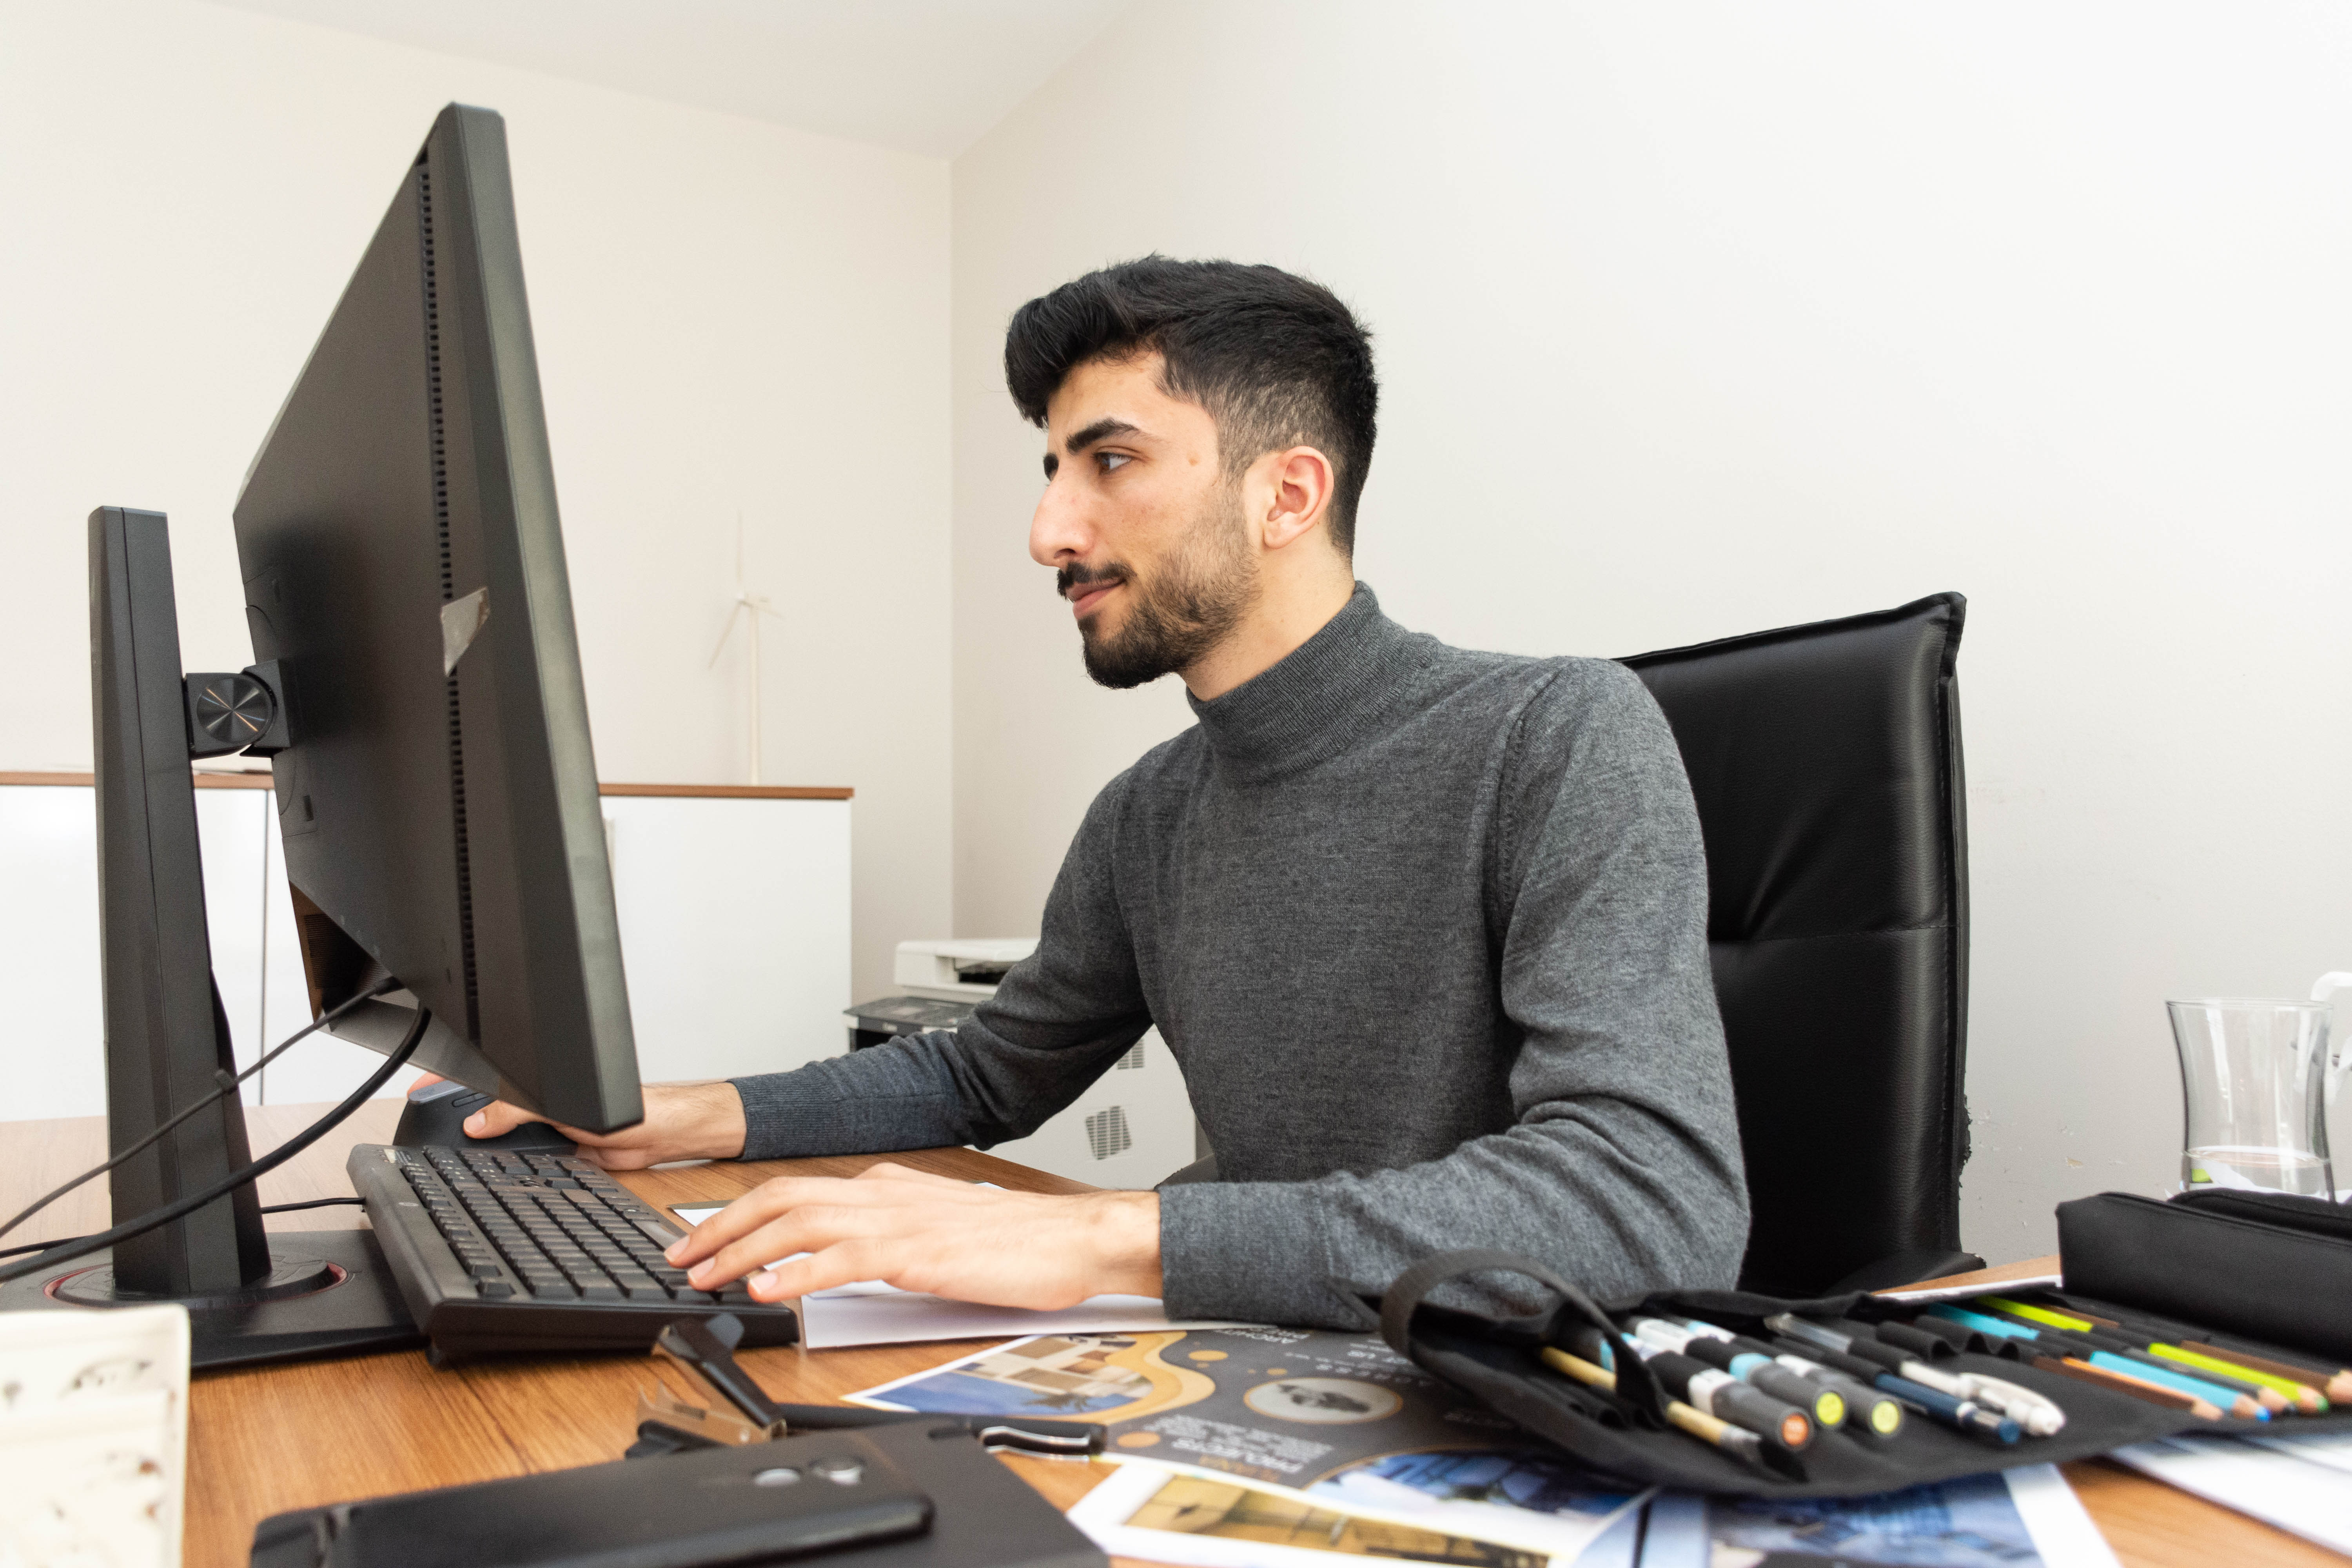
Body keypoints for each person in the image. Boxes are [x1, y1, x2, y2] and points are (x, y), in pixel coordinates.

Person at [451, 257, 1751, 1328]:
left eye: (1110, 462)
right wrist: (684, 1115)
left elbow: (1645, 1200)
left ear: (1287, 491)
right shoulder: (1150, 811)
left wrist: (1104, 1236)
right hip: (1229, 1354)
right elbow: (983, 1079)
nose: (1050, 532)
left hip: (1474, 1396)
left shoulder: (1558, 733)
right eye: (1051, 472)